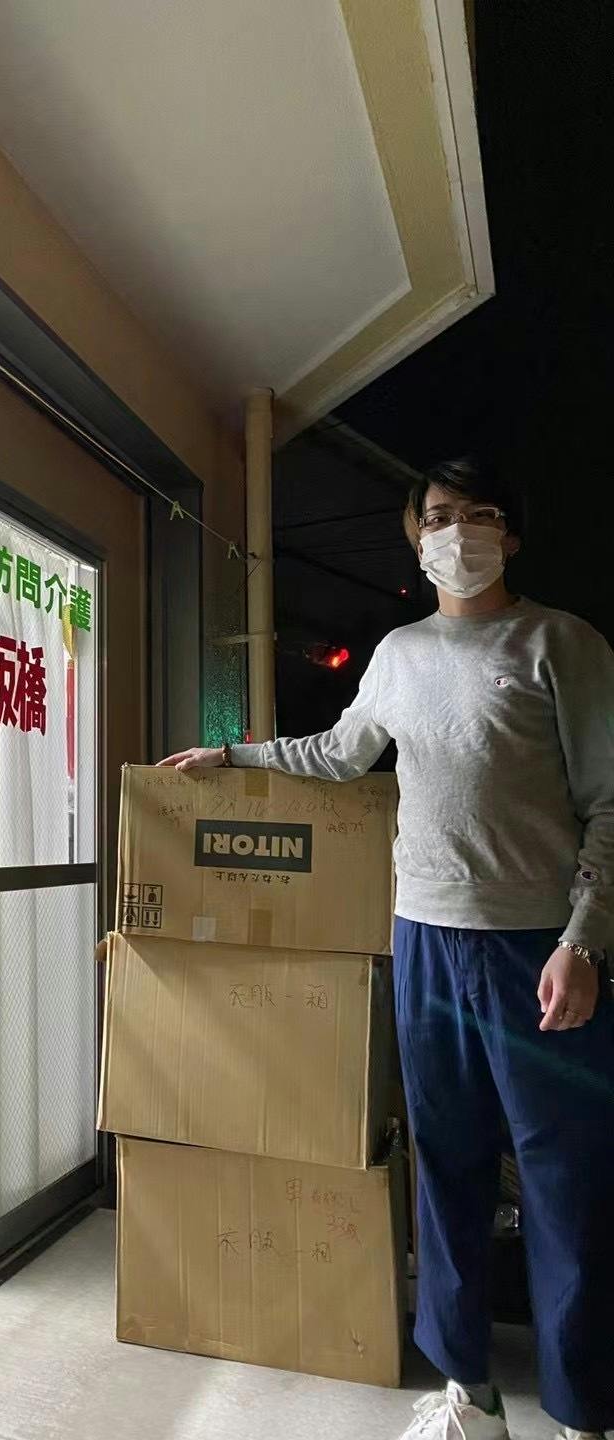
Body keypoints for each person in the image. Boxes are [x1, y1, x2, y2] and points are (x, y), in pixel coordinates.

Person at [160, 459, 614, 1440]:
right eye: (440, 517)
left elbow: (610, 802)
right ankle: (472, 1400)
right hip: (424, 941)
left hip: (536, 949)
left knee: (566, 1178)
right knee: (446, 1166)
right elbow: (339, 751)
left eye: (480, 514)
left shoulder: (561, 643)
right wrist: (231, 755)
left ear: (511, 535)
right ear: (417, 541)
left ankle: (583, 1414)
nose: (459, 531)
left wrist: (585, 941)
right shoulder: (400, 654)